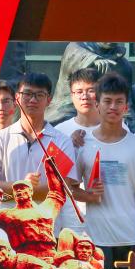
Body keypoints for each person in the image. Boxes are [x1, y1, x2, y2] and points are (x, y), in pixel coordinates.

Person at [73, 73, 135, 269]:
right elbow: (69, 188)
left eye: (119, 102)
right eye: (107, 101)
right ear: (97, 104)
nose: (113, 107)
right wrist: (89, 195)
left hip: (132, 239)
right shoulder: (82, 144)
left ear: (126, 106)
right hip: (96, 240)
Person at [0, 72, 79, 207]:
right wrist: (20, 186)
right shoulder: (0, 139)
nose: (33, 100)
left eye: (39, 95)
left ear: (49, 100)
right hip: (6, 219)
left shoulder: (62, 141)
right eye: (27, 94)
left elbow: (62, 188)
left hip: (47, 220)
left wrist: (23, 190)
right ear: (17, 97)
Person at [0, 155, 66, 262]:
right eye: (16, 189)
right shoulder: (8, 215)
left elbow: (58, 193)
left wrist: (50, 169)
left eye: (22, 188)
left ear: (31, 191)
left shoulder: (47, 207)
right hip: (25, 260)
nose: (19, 190)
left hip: (50, 257)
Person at [54, 67, 102, 233]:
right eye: (79, 91)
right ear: (71, 95)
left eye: (91, 90)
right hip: (71, 222)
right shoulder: (59, 132)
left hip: (109, 217)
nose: (84, 96)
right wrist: (70, 146)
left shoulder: (118, 128)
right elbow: (55, 180)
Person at [47, 42, 133, 124]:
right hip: (68, 107)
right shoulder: (79, 46)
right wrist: (93, 60)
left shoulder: (123, 65)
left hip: (104, 112)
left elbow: (126, 100)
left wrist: (127, 119)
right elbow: (73, 52)